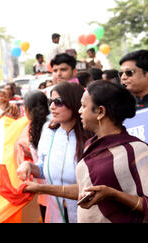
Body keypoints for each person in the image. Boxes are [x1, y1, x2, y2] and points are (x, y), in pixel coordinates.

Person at [76, 80, 148, 222]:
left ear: (100, 112)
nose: (79, 111)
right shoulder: (90, 145)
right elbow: (85, 187)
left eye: (83, 106)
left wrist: (113, 194)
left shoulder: (137, 150)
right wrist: (41, 188)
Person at [16, 82, 93, 223]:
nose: (52, 107)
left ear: (74, 103)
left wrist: (42, 188)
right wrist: (28, 166)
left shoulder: (90, 136)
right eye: (50, 101)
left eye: (58, 102)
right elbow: (44, 169)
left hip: (85, 214)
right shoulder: (49, 131)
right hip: (55, 214)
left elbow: (90, 187)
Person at [15, 90, 51, 221]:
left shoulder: (49, 128)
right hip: (46, 188)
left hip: (52, 188)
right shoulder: (41, 125)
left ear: (27, 110)